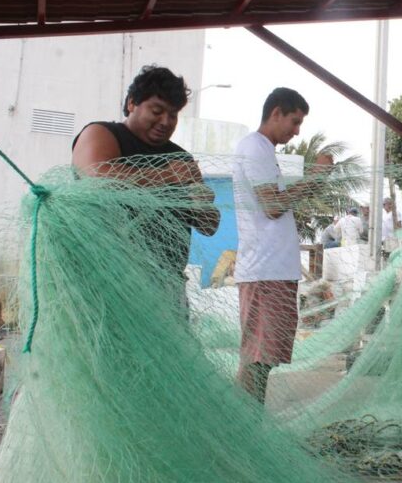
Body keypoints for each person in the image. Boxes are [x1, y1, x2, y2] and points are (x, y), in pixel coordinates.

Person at [71, 65, 220, 300]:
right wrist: (167, 176)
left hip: (167, 287)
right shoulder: (102, 133)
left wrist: (203, 202)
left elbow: (210, 226)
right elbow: (96, 178)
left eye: (173, 115)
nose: (165, 121)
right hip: (106, 283)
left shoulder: (181, 158)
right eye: (157, 110)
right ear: (132, 103)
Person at [233, 87, 325, 402]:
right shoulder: (254, 148)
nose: (297, 131)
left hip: (275, 272)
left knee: (265, 360)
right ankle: (242, 430)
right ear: (276, 113)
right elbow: (272, 206)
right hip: (264, 272)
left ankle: (247, 427)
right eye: (294, 121)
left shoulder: (265, 151)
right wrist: (315, 178)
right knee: (257, 360)